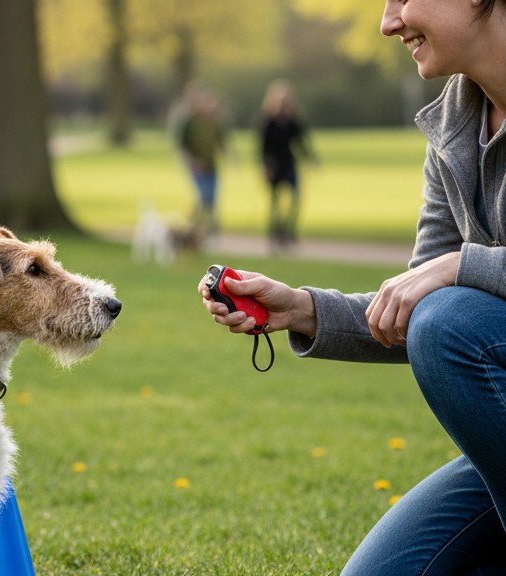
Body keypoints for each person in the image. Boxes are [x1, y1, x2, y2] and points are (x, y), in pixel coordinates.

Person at [199, 0, 506, 573]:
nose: (389, 22)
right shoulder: (452, 126)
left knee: (449, 320)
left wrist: (459, 266)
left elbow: (445, 311)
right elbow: (413, 311)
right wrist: (301, 308)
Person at [258, 80, 315, 252]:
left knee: (294, 199)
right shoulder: (268, 122)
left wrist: (310, 157)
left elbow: (301, 142)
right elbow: (263, 148)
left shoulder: (293, 121)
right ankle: (275, 232)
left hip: (289, 164)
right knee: (275, 203)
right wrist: (266, 167)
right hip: (275, 167)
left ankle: (289, 231)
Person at [177, 83, 228, 237]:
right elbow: (182, 145)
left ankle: (210, 228)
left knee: (212, 198)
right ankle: (193, 225)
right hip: (196, 167)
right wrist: (191, 162)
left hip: (211, 165)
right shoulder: (189, 122)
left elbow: (221, 142)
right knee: (203, 197)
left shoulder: (213, 122)